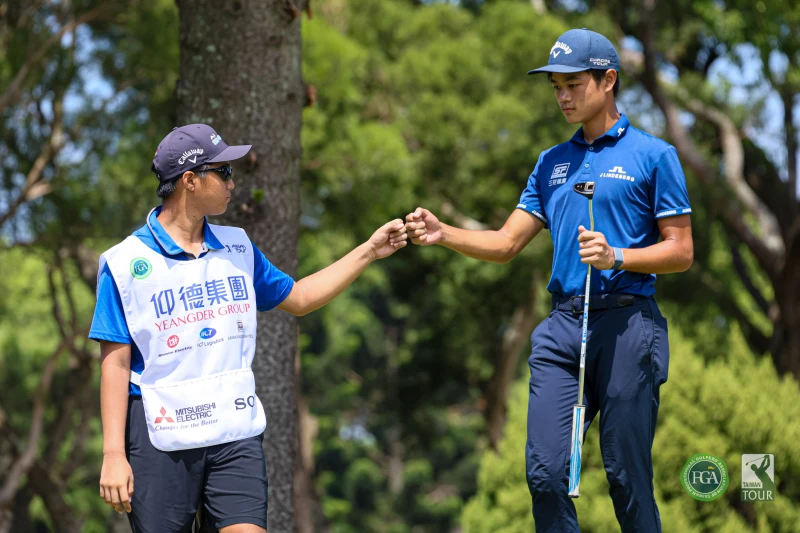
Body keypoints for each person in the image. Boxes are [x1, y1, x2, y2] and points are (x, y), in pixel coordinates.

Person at [405, 29, 693, 533]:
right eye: (556, 86)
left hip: (628, 325)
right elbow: (505, 244)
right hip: (563, 328)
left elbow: (682, 251)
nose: (562, 95)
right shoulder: (551, 164)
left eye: (573, 84)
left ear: (608, 80)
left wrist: (618, 256)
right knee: (545, 475)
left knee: (626, 476)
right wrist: (443, 233)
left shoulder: (655, 156)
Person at [89, 123, 408, 533]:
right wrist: (113, 453)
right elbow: (114, 365)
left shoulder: (238, 247)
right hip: (160, 439)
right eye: (222, 172)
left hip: (233, 433)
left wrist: (369, 250)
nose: (232, 183)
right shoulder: (122, 263)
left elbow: (301, 297)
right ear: (189, 180)